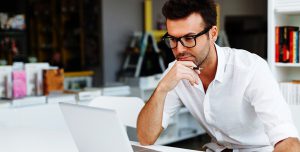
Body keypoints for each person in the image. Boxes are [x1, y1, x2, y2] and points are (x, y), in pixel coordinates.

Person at [136, 0, 300, 151]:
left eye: (189, 38)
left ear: (213, 34)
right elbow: (145, 138)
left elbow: (288, 142)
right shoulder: (175, 72)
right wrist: (162, 88)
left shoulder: (251, 69)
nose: (179, 49)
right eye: (173, 39)